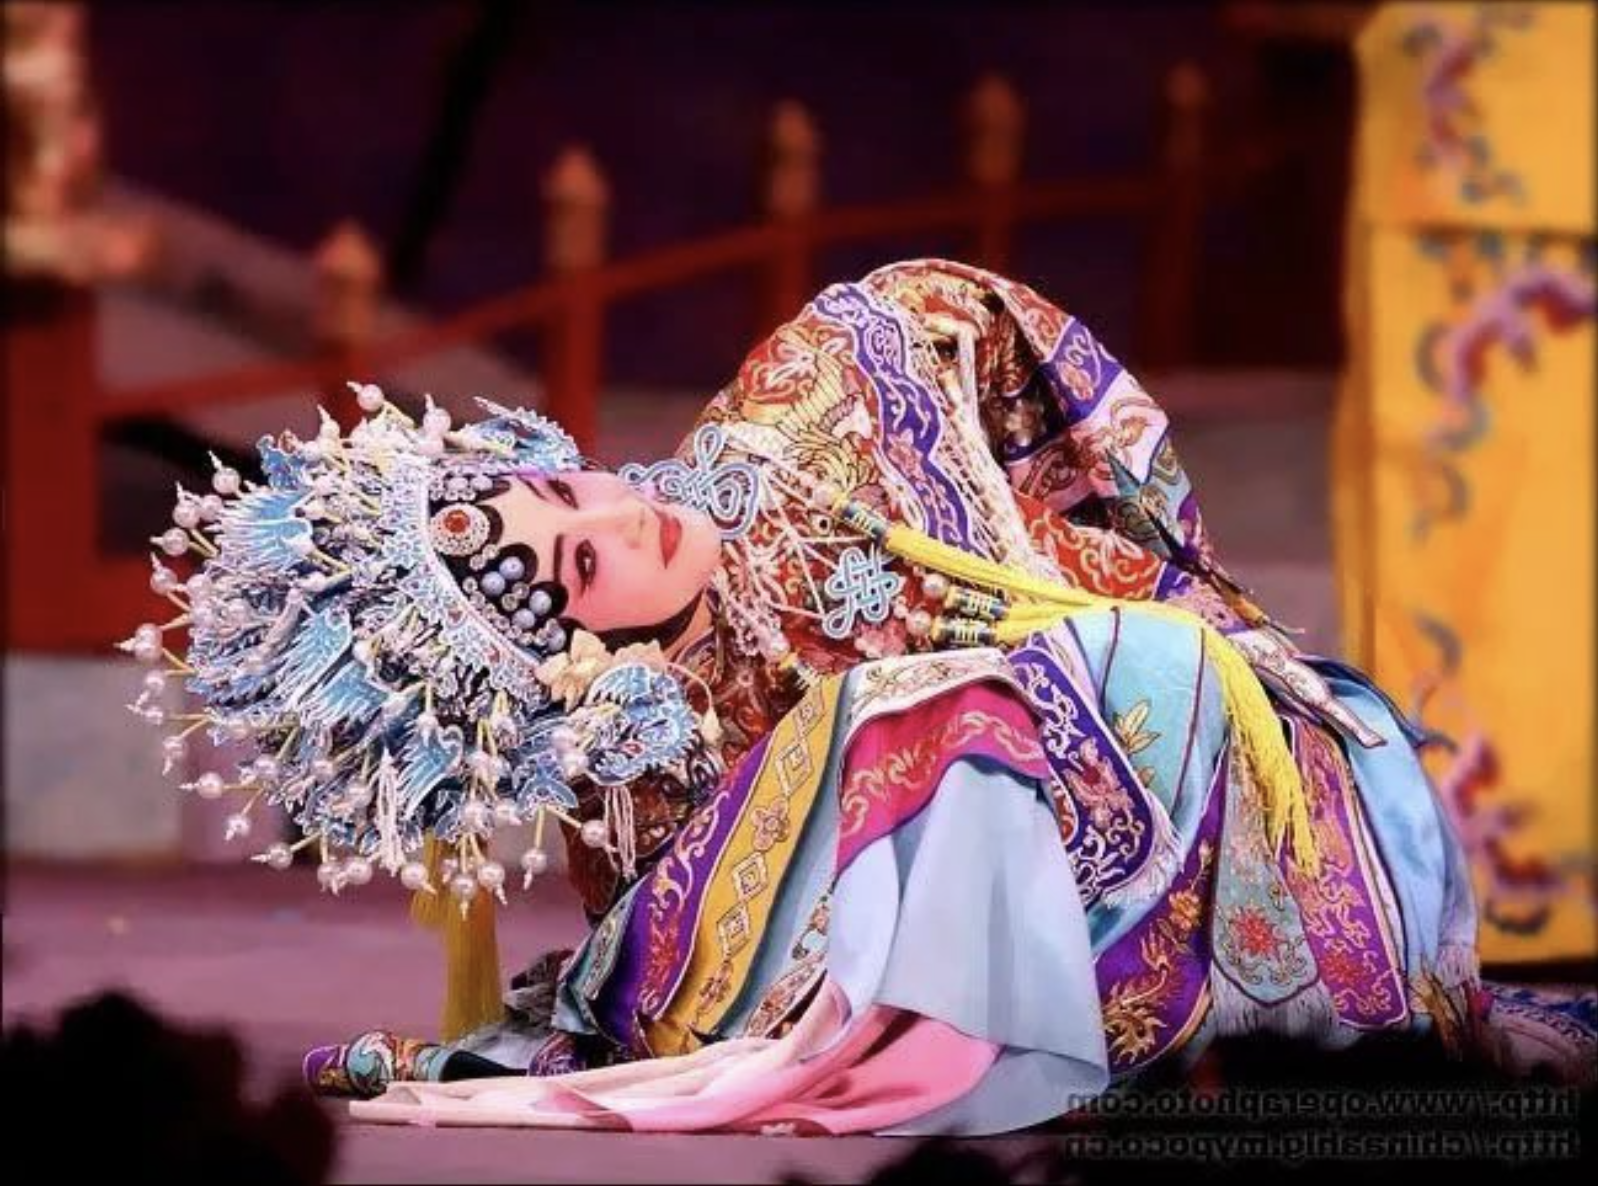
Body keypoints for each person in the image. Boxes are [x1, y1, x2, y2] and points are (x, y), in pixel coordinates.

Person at [128, 260, 1588, 1135]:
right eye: (579, 565)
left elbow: (1032, 379)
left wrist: (1144, 580)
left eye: (573, 488)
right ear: (559, 660)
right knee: (948, 712)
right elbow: (690, 975)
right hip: (1094, 914)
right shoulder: (650, 765)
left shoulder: (823, 379)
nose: (620, 522)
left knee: (1148, 664)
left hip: (1270, 780)